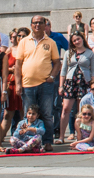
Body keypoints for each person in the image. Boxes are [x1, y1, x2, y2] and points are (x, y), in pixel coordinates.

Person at [14, 16, 62, 150]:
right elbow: (18, 65)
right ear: (31, 25)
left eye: (40, 23)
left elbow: (57, 62)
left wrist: (52, 76)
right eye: (35, 23)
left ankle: (47, 141)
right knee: (27, 115)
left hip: (45, 84)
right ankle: (26, 141)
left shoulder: (50, 42)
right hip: (27, 84)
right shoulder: (23, 42)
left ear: (45, 25)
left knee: (47, 114)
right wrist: (18, 84)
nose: (37, 25)